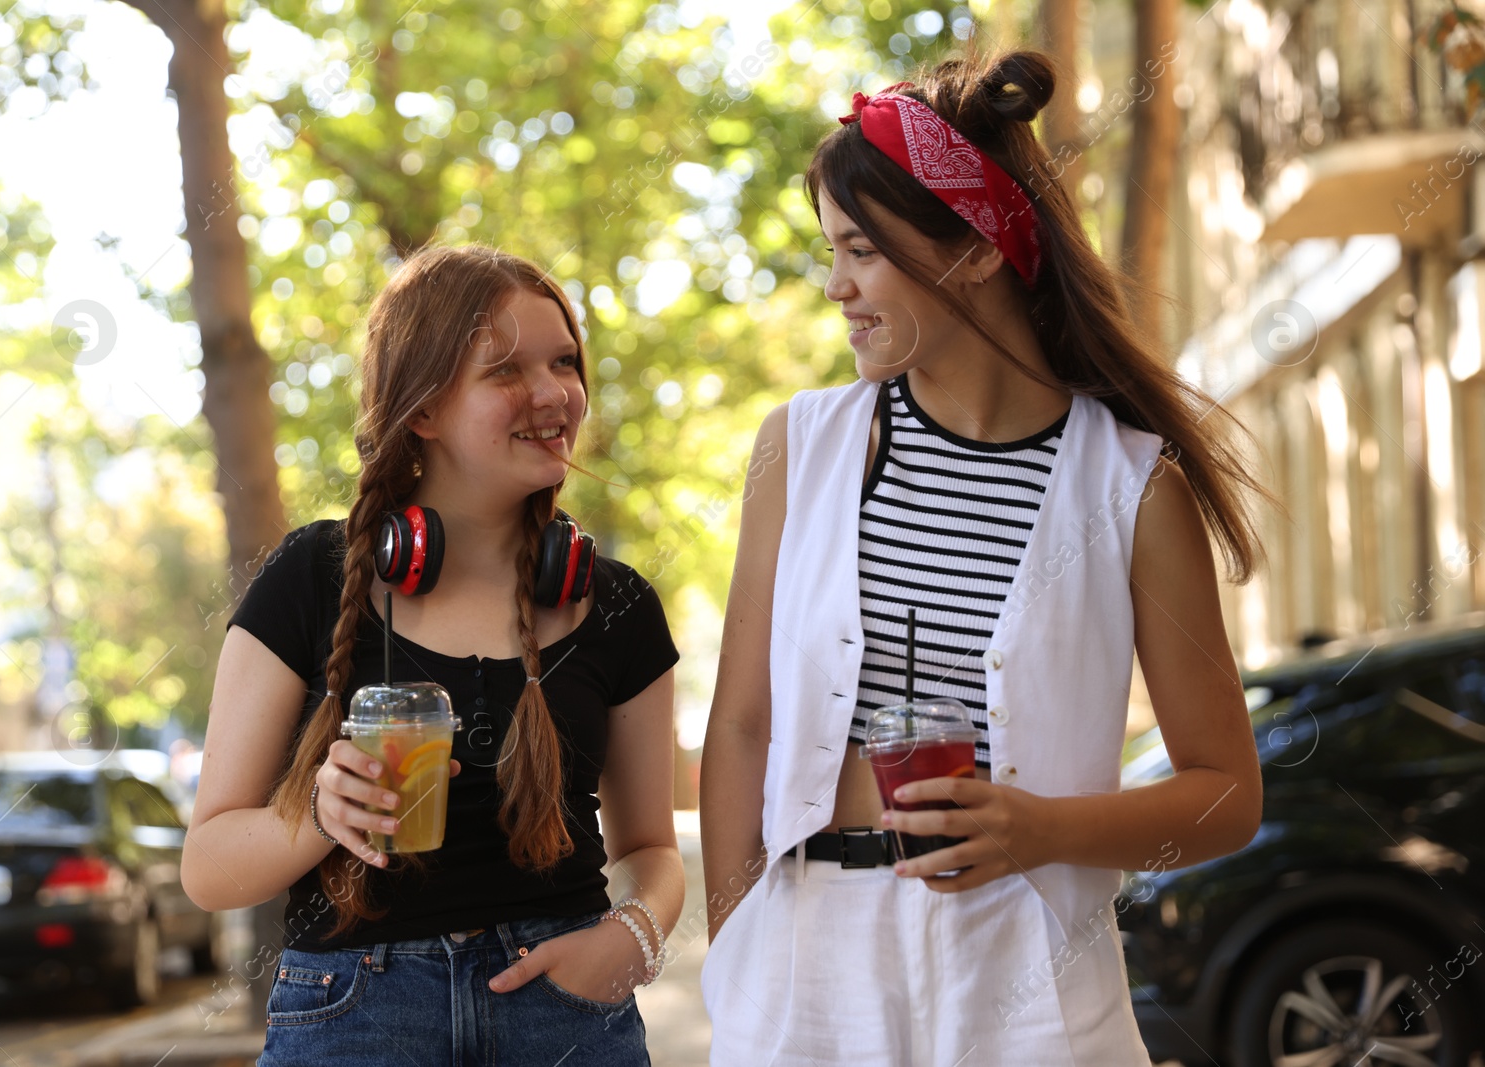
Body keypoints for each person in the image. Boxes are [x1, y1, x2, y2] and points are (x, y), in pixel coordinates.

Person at [698, 50, 1267, 1065]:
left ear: (971, 249)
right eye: (832, 251)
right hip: (807, 966)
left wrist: (1038, 828)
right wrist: (737, 948)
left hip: (1027, 975)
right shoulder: (802, 445)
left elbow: (1226, 793)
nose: (836, 286)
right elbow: (741, 723)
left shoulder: (1133, 489)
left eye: (862, 251)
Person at [182, 245, 684, 1066]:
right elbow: (208, 868)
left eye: (564, 361)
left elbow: (651, 851)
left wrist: (631, 935)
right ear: (422, 410)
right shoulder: (312, 575)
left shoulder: (621, 605)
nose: (555, 392)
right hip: (353, 1014)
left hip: (565, 1012)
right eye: (507, 371)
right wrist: (318, 814)